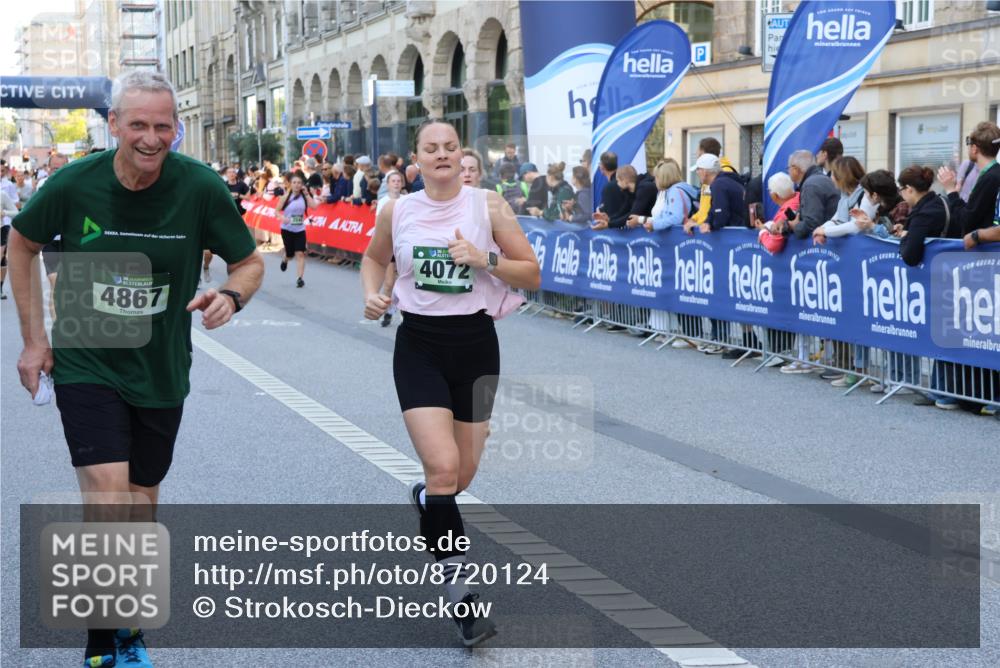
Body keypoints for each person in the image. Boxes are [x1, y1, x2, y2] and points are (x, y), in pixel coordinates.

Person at [8, 70, 264, 668]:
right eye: (139, 125)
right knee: (107, 494)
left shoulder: (199, 187)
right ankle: (106, 638)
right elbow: (22, 244)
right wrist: (33, 341)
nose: (151, 138)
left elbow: (250, 262)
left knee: (142, 502)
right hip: (86, 357)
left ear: (175, 130)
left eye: (163, 126)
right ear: (114, 125)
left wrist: (232, 293)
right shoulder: (75, 184)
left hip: (161, 366)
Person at [360, 119, 539, 648]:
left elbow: (532, 272)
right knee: (441, 471)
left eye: (451, 146)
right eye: (431, 148)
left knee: (459, 478)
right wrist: (373, 294)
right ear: (415, 159)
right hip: (419, 345)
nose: (442, 155)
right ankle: (462, 598)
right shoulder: (400, 210)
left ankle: (430, 499)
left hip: (477, 347)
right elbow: (374, 258)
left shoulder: (489, 206)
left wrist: (484, 259)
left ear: (462, 153)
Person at [683, 153, 746, 354]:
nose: (698, 174)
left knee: (729, 290)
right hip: (733, 241)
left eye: (699, 170)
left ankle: (732, 340)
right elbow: (712, 211)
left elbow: (721, 213)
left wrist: (711, 224)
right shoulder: (718, 183)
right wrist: (705, 222)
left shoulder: (719, 184)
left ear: (706, 171)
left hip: (734, 241)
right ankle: (737, 340)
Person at [936, 121, 1000, 235]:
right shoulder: (994, 174)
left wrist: (951, 190)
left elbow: (966, 221)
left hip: (986, 250)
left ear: (974, 148)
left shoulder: (989, 178)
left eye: (969, 144)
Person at [779, 149, 840, 240]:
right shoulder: (820, 179)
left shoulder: (810, 185)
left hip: (824, 246)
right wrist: (788, 222)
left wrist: (793, 226)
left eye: (789, 168)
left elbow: (811, 224)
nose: (788, 172)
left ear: (795, 169)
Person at [277, 172, 318, 287]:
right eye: (294, 182)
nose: (297, 185)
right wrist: (282, 217)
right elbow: (276, 211)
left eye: (299, 183)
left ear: (302, 184)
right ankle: (285, 259)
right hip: (287, 229)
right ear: (290, 184)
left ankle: (299, 278)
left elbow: (314, 207)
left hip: (300, 230)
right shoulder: (285, 197)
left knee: (300, 253)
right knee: (290, 254)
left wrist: (307, 194)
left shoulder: (304, 197)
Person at [376, 171, 405, 327]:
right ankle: (387, 311)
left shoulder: (407, 200)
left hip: (403, 245)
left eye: (398, 181)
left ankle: (403, 313)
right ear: (388, 184)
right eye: (393, 181)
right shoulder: (383, 202)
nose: (396, 183)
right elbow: (379, 226)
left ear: (402, 183)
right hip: (388, 244)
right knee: (388, 283)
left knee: (404, 281)